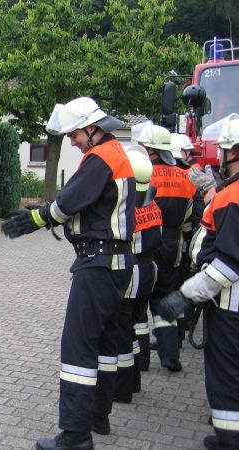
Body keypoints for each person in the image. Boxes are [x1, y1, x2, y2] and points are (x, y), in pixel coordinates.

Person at [2, 96, 136, 450]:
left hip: (98, 264)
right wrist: (45, 212)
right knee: (105, 343)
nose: (73, 142)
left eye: (74, 134)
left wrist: (35, 218)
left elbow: (69, 203)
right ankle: (98, 415)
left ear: (91, 129)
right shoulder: (116, 153)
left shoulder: (100, 158)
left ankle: (76, 435)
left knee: (78, 347)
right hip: (117, 262)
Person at [157, 113, 239, 450]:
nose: (219, 157)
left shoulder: (232, 197)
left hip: (229, 303)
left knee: (226, 374)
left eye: (223, 150)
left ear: (233, 152)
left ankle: (229, 439)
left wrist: (186, 296)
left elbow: (229, 263)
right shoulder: (227, 192)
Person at [136, 123, 196, 372]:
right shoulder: (185, 176)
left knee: (139, 302)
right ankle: (170, 356)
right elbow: (189, 216)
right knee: (164, 298)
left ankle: (140, 361)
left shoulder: (146, 175)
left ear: (150, 149)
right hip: (174, 244)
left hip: (147, 241)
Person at [114, 147, 162, 403]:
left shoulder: (127, 208)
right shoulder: (152, 203)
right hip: (148, 272)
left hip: (130, 275)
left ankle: (122, 390)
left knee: (121, 333)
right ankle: (134, 381)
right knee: (133, 327)